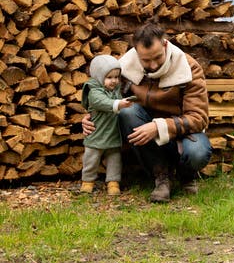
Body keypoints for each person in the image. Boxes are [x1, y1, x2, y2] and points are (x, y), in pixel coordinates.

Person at [82, 22, 212, 203]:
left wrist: (159, 126)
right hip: (144, 133)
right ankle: (161, 178)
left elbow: (198, 118)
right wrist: (92, 115)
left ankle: (186, 175)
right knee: (128, 113)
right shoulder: (125, 66)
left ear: (165, 44)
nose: (152, 65)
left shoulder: (188, 67)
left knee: (198, 152)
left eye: (158, 57)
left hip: (180, 134)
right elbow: (108, 97)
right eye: (145, 60)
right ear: (136, 52)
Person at [80, 54, 134, 195]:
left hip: (113, 133)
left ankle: (113, 182)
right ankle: (87, 181)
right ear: (98, 76)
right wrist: (119, 104)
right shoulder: (93, 91)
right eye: (109, 77)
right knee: (91, 158)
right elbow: (102, 102)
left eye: (116, 77)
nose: (114, 81)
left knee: (115, 159)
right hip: (96, 133)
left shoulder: (115, 91)